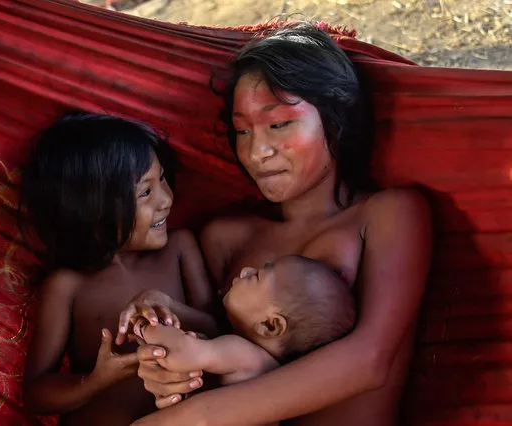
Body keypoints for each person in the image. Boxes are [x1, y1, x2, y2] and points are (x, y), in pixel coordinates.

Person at [130, 22, 432, 426]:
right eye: (241, 130)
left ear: (334, 120)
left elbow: (370, 359)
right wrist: (166, 350)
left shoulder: (387, 214)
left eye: (279, 124)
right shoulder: (226, 237)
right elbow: (216, 350)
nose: (257, 151)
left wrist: (197, 417)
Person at [17, 111, 218, 425]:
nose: (166, 199)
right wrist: (96, 380)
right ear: (94, 211)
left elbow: (221, 331)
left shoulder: (180, 249)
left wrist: (170, 308)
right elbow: (36, 392)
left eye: (162, 178)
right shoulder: (68, 286)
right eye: (145, 192)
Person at [128, 255, 356, 386]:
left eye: (256, 276)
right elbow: (204, 325)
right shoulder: (248, 354)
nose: (246, 270)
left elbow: (181, 352)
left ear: (270, 326)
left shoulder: (247, 357)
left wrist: (147, 327)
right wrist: (164, 305)